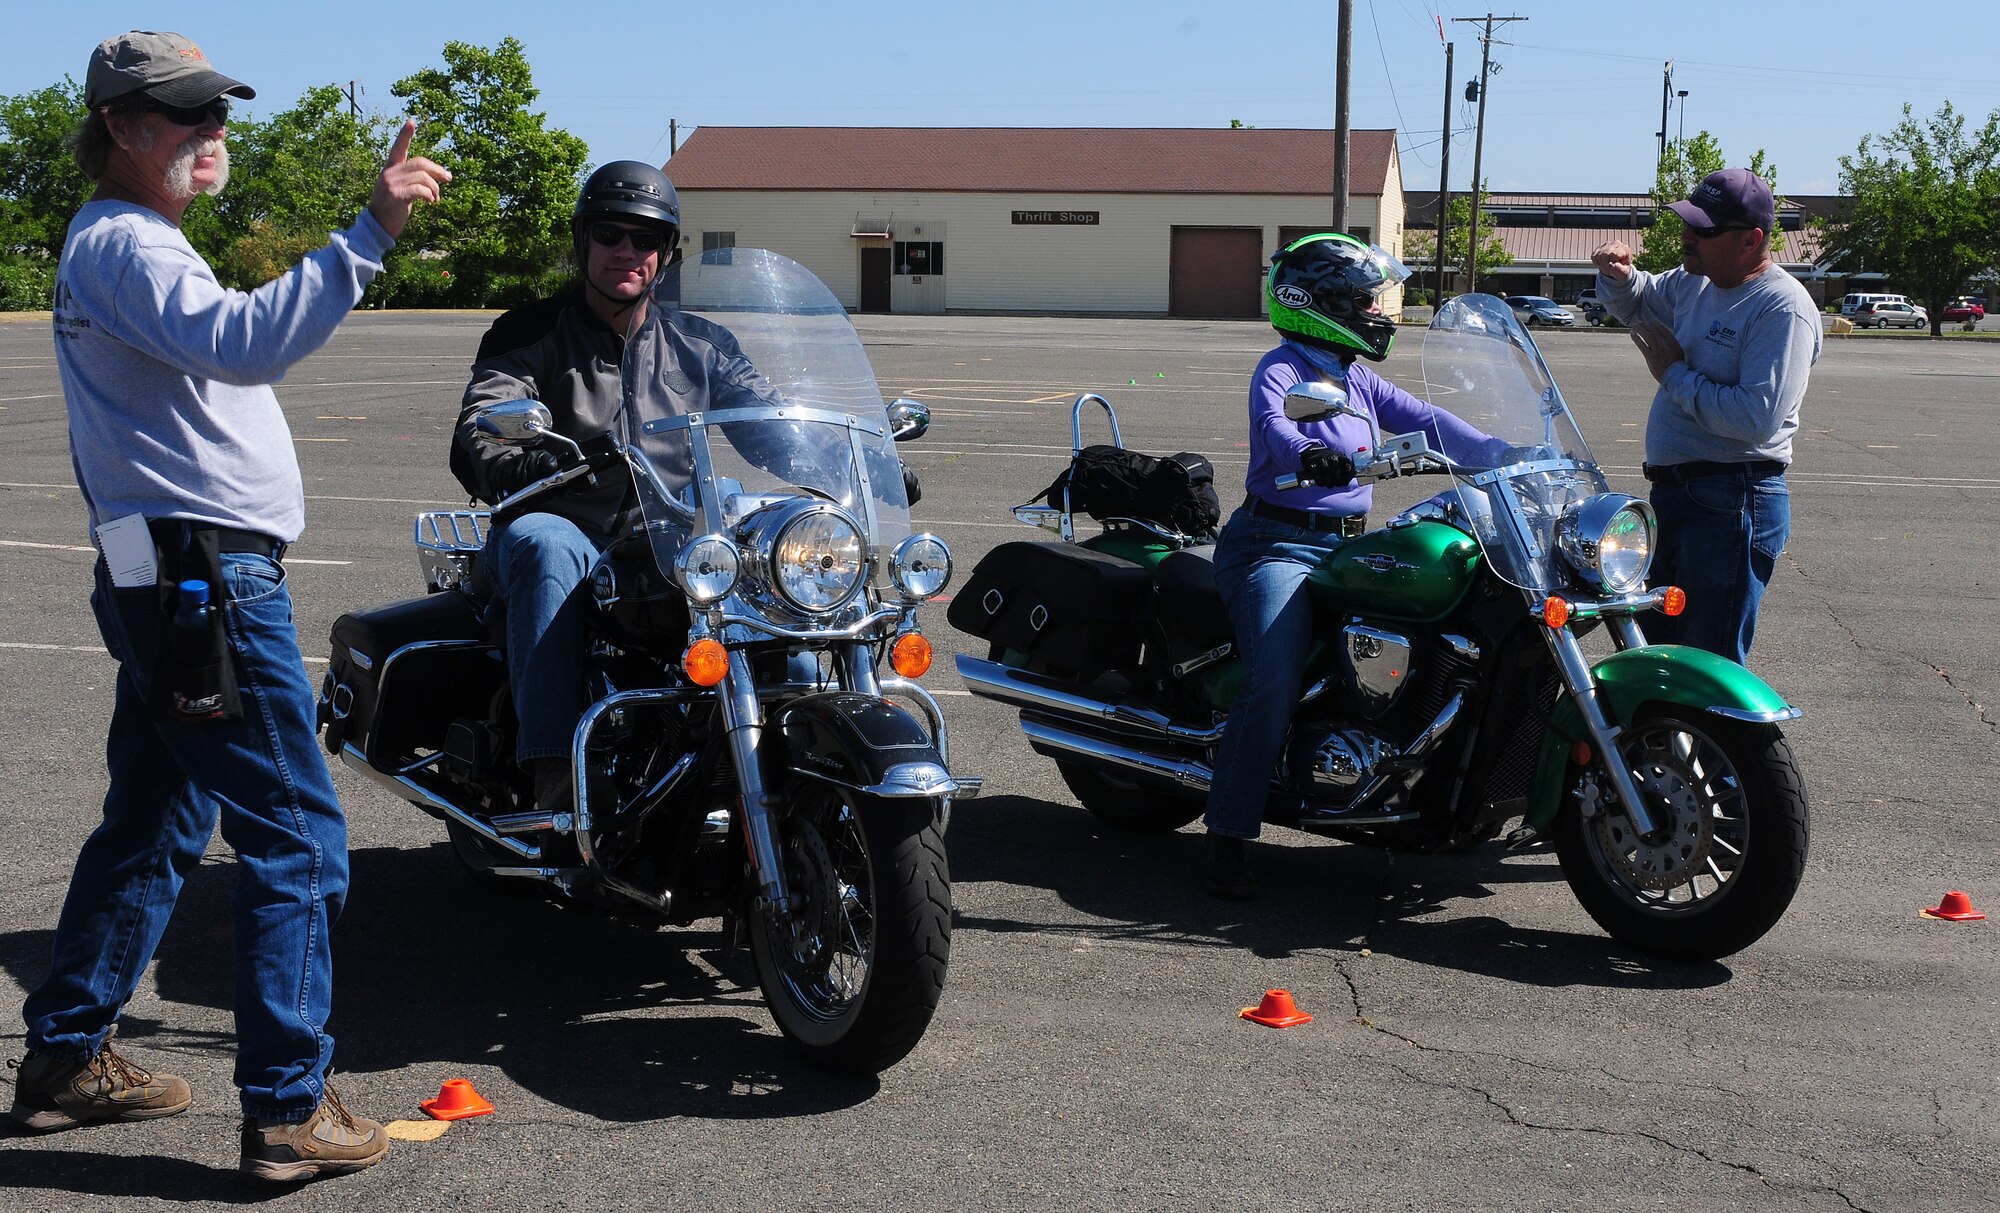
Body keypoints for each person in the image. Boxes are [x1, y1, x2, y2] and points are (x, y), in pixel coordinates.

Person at [9, 31, 447, 1182]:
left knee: (152, 823)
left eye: (216, 110)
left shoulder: (136, 242)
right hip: (203, 580)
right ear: (120, 127)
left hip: (171, 575)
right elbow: (244, 345)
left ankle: (65, 1058)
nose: (213, 131)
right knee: (298, 836)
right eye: (187, 113)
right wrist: (370, 234)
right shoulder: (128, 247)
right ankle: (288, 1109)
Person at [452, 161, 777, 815]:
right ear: (583, 241)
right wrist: (516, 461)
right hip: (565, 520)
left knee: (775, 545)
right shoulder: (529, 332)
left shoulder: (701, 343)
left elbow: (766, 416)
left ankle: (790, 739)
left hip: (670, 535)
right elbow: (484, 421)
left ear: (667, 253)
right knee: (548, 546)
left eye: (645, 237)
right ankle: (551, 771)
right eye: (609, 232)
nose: (627, 249)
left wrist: (841, 454)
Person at [1201, 233, 1503, 900]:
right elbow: (1276, 424)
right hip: (1274, 543)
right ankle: (1226, 832)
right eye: (1366, 300)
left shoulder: (1355, 374)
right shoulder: (1282, 368)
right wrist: (1307, 453)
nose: (1378, 312)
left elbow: (1428, 419)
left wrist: (1508, 452)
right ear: (1320, 303)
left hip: (1341, 544)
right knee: (1273, 677)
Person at [1591, 167, 1821, 664]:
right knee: (1653, 656)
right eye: (1688, 222)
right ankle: (1660, 745)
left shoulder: (1781, 309)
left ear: (1750, 240)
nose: (1687, 236)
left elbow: (1753, 419)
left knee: (1706, 666)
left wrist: (1674, 374)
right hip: (1677, 498)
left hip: (1731, 504)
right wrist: (1619, 276)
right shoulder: (1695, 282)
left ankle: (1721, 745)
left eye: (1703, 228)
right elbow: (1639, 304)